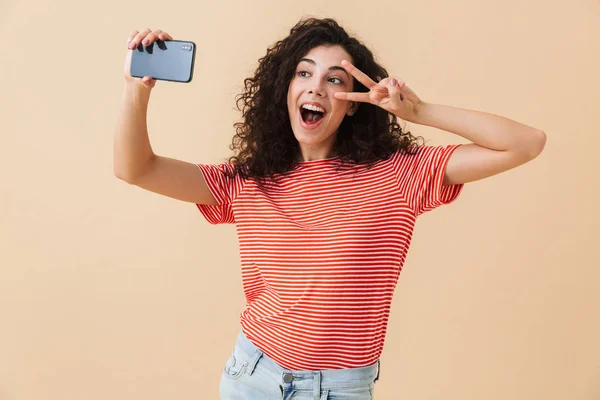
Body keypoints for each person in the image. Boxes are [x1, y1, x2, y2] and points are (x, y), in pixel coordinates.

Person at [115, 17, 546, 400]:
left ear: (355, 101)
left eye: (335, 79)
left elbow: (525, 143)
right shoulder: (247, 181)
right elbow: (136, 168)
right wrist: (137, 89)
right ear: (284, 89)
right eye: (304, 73)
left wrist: (420, 111)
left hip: (339, 388)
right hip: (251, 375)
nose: (316, 86)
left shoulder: (399, 176)